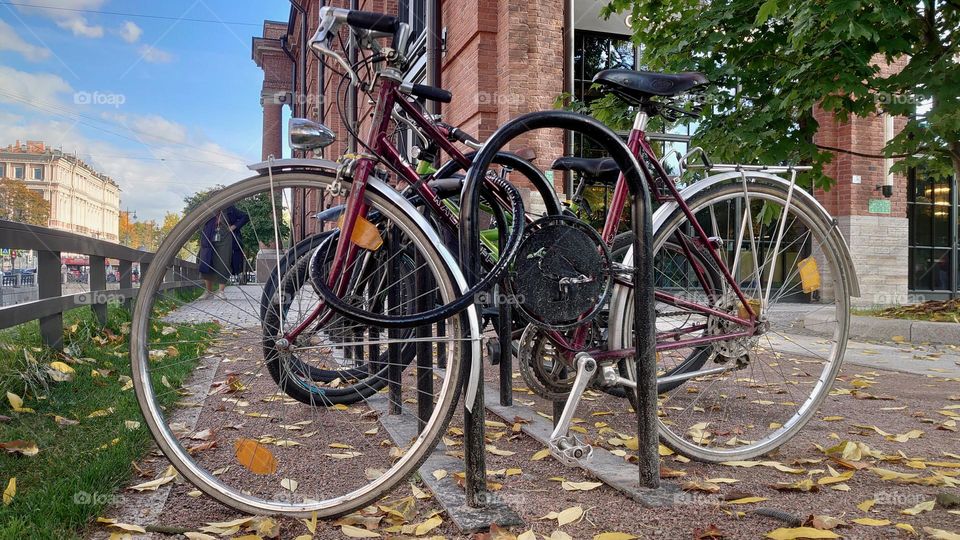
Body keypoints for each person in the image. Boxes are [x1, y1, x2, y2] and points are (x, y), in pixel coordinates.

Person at [197, 205, 249, 300]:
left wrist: (234, 226)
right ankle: (208, 292)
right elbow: (198, 220)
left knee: (224, 262)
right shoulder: (208, 209)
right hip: (209, 237)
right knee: (207, 262)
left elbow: (245, 216)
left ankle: (221, 291)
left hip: (226, 238)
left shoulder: (230, 208)